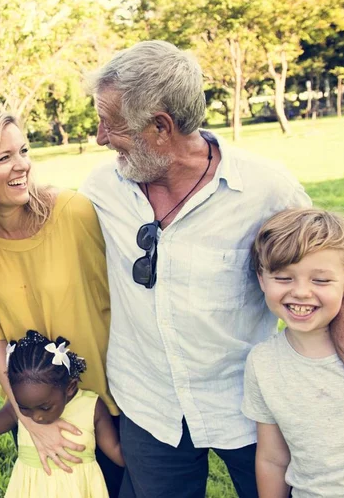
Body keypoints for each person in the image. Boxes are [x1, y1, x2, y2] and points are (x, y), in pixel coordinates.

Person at [79, 40, 312, 497]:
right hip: (148, 404)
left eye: (111, 125)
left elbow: (330, 276)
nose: (101, 138)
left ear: (161, 127)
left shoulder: (266, 189)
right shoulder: (100, 188)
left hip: (248, 404)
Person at [0, 108, 123, 495]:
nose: (22, 165)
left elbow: (122, 299)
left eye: (23, 151)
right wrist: (30, 422)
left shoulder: (73, 212)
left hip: (111, 402)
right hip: (38, 405)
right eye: (4, 158)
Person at [242, 208, 344, 497]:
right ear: (262, 279)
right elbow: (272, 459)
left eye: (321, 280)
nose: (301, 292)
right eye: (284, 278)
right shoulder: (263, 363)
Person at [0, 330, 124, 498]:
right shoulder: (17, 408)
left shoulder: (92, 407)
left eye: (45, 408)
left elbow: (118, 453)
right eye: (24, 408)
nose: (36, 417)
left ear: (70, 387)